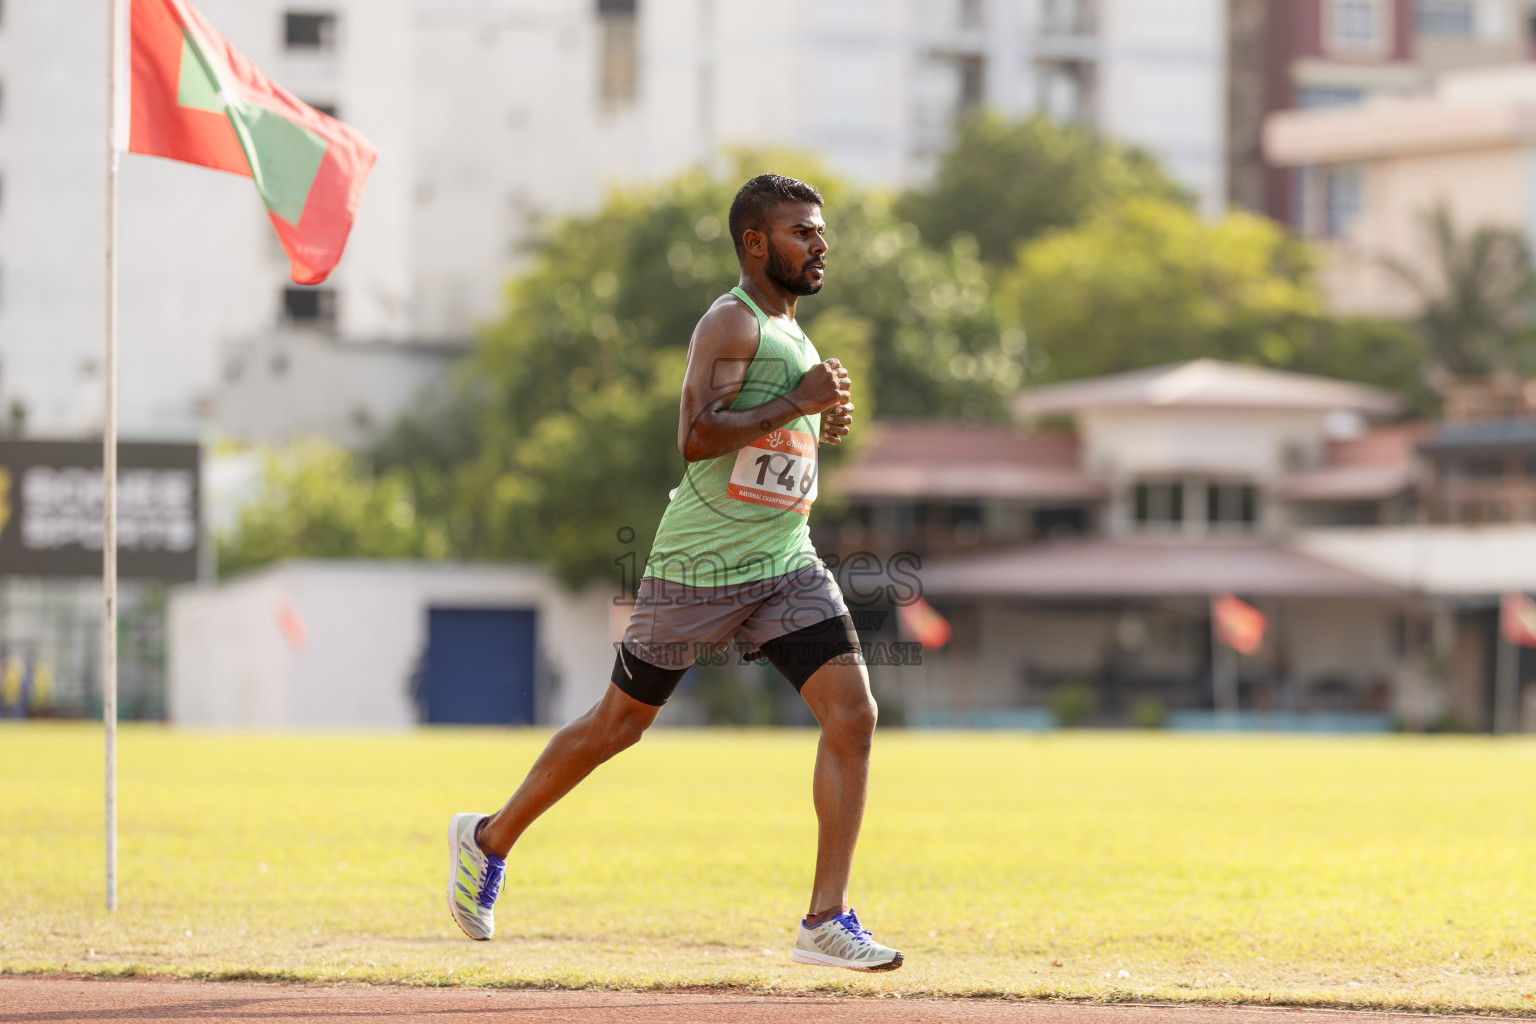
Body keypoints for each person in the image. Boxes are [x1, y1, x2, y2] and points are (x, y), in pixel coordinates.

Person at [446, 173, 901, 973]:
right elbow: (695, 436)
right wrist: (798, 402)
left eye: (821, 230)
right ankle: (488, 839)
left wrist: (816, 420)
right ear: (755, 242)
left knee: (853, 716)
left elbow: (768, 438)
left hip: (785, 562)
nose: (821, 243)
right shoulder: (731, 320)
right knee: (619, 726)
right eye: (802, 231)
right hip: (700, 566)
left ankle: (825, 919)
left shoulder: (793, 333)